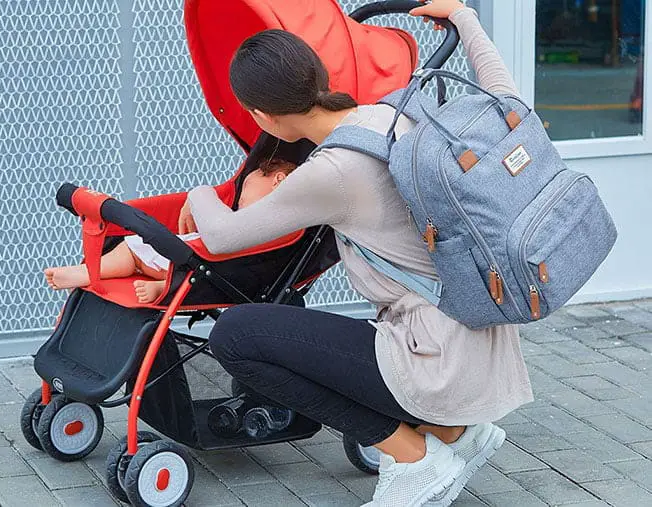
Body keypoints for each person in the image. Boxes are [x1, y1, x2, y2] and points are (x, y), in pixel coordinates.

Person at [179, 2, 534, 506]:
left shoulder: (334, 171)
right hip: (482, 343)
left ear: (263, 117)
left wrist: (200, 195)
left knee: (237, 335)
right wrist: (464, 19)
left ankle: (413, 453)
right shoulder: (396, 111)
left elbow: (222, 238)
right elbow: (505, 96)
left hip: (434, 360)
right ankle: (453, 432)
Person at [44, 158, 297, 303]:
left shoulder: (272, 224)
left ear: (278, 180)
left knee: (131, 251)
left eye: (246, 191)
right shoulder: (251, 219)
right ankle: (88, 272)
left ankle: (95, 274)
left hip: (192, 268)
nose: (239, 199)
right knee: (132, 246)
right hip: (185, 258)